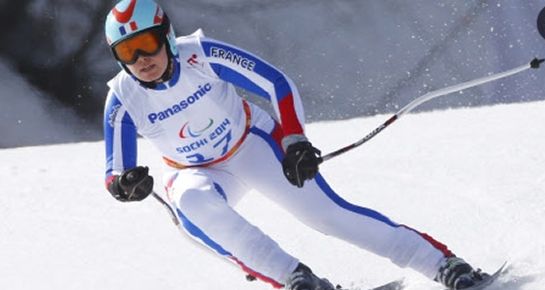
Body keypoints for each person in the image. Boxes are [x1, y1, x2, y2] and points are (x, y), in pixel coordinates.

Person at [103, 0, 489, 289]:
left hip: (250, 144)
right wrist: (125, 184)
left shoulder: (199, 55)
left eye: (148, 44)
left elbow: (275, 83)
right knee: (192, 210)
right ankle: (297, 279)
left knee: (325, 215)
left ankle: (442, 265)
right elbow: (114, 171)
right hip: (193, 171)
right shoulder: (122, 98)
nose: (141, 59)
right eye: (127, 52)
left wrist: (295, 140)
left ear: (166, 37)